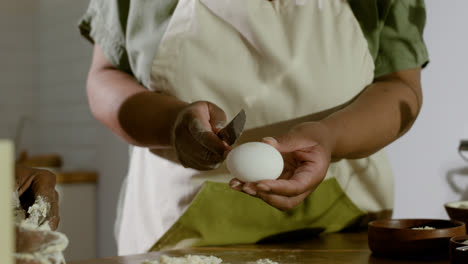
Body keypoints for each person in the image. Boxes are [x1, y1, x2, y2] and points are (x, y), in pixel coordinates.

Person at [79, 0, 429, 255]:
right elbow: (105, 78)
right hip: (179, 236)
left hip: (341, 234)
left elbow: (400, 87)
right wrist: (171, 123)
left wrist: (331, 138)